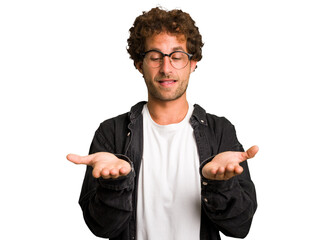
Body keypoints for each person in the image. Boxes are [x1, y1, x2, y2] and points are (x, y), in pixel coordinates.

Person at [67, 7, 258, 240]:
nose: (166, 68)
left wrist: (219, 185)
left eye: (177, 57)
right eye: (155, 57)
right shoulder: (112, 132)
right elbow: (100, 227)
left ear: (193, 63)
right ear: (140, 64)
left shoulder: (220, 131)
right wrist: (115, 184)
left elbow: (240, 227)